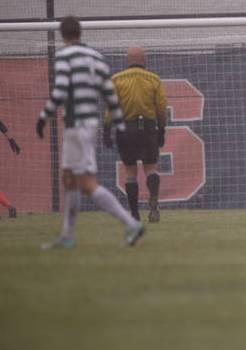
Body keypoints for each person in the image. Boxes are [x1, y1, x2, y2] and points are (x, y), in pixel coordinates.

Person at [36, 15, 145, 248]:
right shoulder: (97, 58)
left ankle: (131, 224)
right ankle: (66, 236)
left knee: (85, 182)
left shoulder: (65, 55)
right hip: (90, 124)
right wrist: (120, 125)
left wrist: (44, 116)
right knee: (69, 178)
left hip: (76, 125)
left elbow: (61, 89)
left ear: (62, 35)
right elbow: (110, 95)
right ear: (80, 33)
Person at [105, 45, 167, 223]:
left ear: (127, 60)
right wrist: (161, 131)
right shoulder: (153, 79)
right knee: (151, 167)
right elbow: (161, 107)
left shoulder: (117, 79)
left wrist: (106, 130)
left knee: (130, 171)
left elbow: (112, 107)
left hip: (126, 128)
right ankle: (153, 197)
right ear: (143, 59)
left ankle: (134, 214)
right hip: (147, 127)